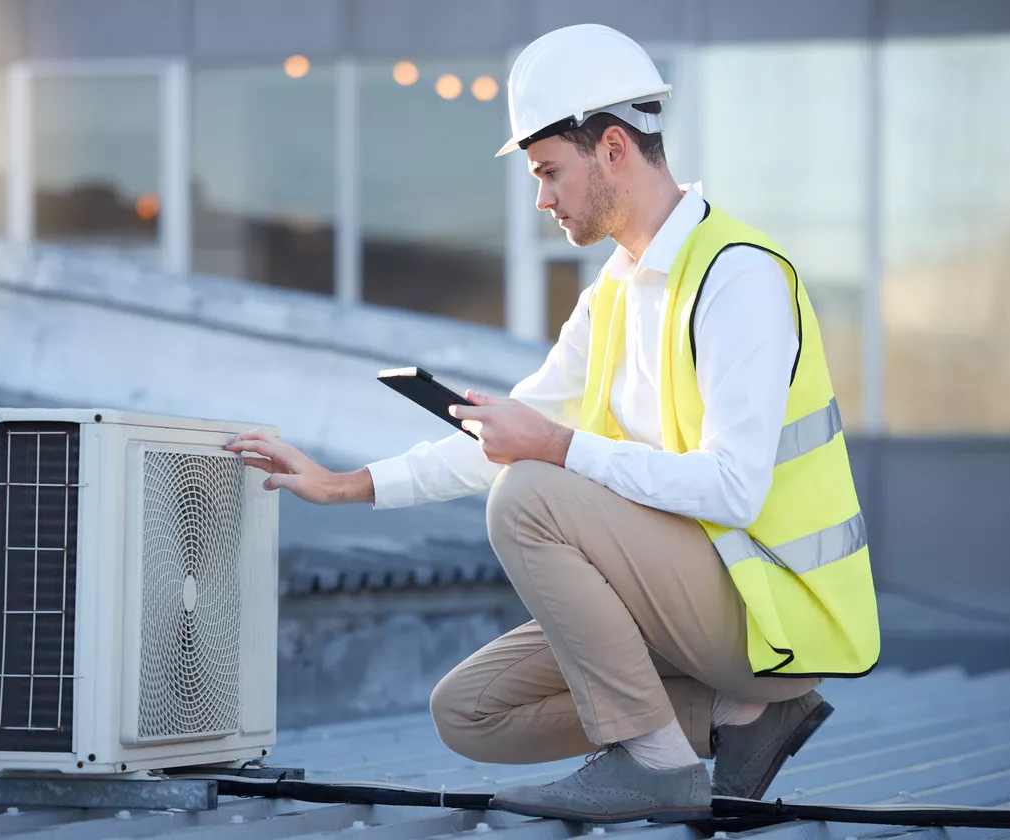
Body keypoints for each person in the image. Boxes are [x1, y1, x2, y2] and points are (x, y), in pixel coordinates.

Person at [227, 23, 879, 825]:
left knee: (529, 494)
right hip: (696, 608)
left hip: (773, 614)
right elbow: (506, 436)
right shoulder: (612, 296)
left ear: (612, 149)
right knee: (469, 712)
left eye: (548, 172)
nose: (540, 198)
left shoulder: (737, 276)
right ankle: (734, 718)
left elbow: (735, 489)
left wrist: (560, 448)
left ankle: (656, 763)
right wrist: (346, 485)